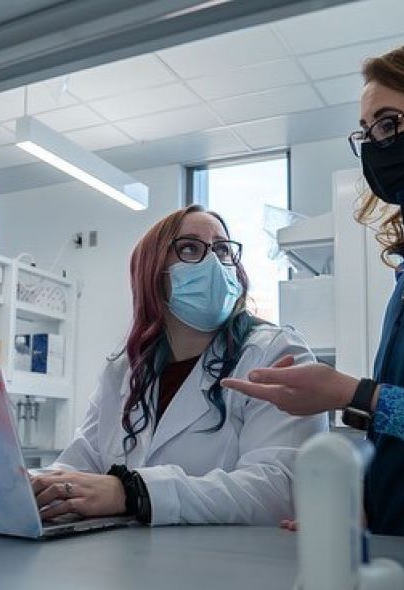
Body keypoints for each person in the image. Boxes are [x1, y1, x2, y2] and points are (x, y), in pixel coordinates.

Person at [222, 42, 404, 537]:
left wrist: (353, 393)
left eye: (391, 124)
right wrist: (368, 505)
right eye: (368, 132)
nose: (377, 146)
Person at [31, 205, 326, 526]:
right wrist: (24, 485)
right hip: (129, 560)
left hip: (235, 564)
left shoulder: (275, 352)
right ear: (152, 273)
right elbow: (81, 462)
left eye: (223, 250)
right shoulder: (126, 368)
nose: (213, 262)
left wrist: (135, 493)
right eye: (189, 248)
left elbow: (281, 489)